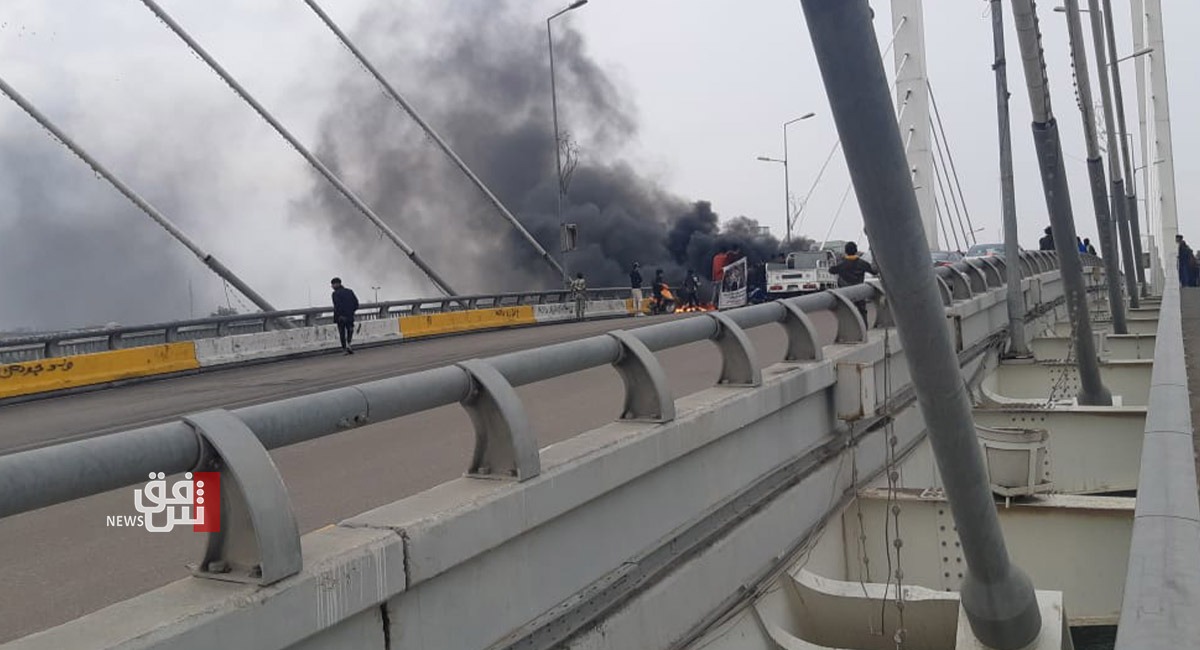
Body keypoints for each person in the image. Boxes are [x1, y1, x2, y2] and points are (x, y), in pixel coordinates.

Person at [331, 277, 359, 355]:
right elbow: (356, 304)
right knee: (350, 330)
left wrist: (340, 315)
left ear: (337, 284)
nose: (332, 286)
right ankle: (349, 344)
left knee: (342, 333)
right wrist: (351, 312)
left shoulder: (335, 294)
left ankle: (344, 348)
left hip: (340, 317)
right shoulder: (350, 291)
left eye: (333, 284)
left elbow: (337, 306)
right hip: (350, 316)